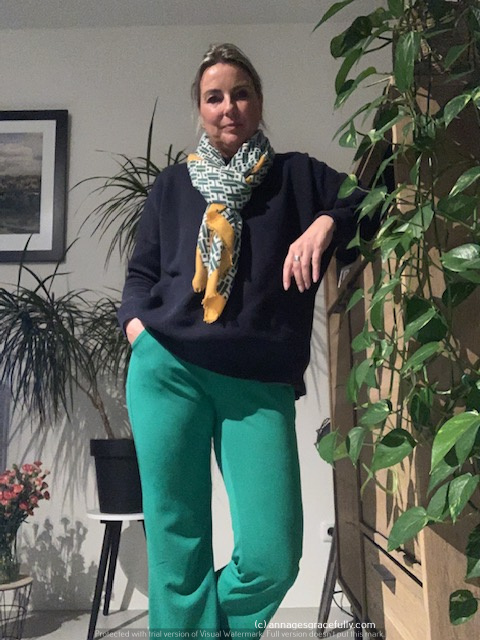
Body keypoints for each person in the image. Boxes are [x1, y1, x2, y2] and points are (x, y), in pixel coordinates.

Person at [118, 43, 366, 638]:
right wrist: (137, 330)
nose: (228, 106)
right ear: (200, 109)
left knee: (273, 554)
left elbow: (375, 195)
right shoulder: (173, 185)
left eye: (240, 93)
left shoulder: (298, 177)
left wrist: (327, 221)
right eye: (214, 97)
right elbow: (141, 275)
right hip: (167, 368)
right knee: (177, 545)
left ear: (258, 101)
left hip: (257, 381)